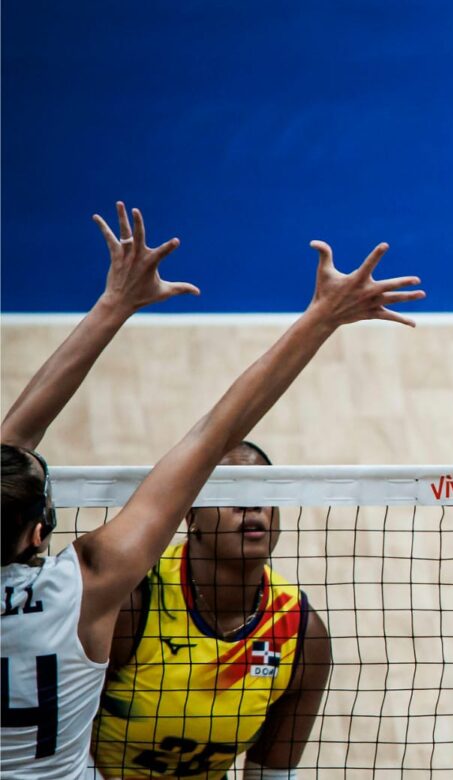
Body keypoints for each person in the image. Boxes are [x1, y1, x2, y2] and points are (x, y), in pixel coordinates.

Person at [1, 201, 423, 779]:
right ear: (38, 530)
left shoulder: (293, 628)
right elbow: (213, 433)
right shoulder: (89, 586)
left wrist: (113, 306)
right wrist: (321, 318)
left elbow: (13, 444)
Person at [91, 441, 332, 780]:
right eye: (229, 489)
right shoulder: (132, 601)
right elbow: (64, 740)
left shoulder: (302, 635)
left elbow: (271, 774)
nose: (251, 504)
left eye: (265, 490)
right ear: (191, 515)